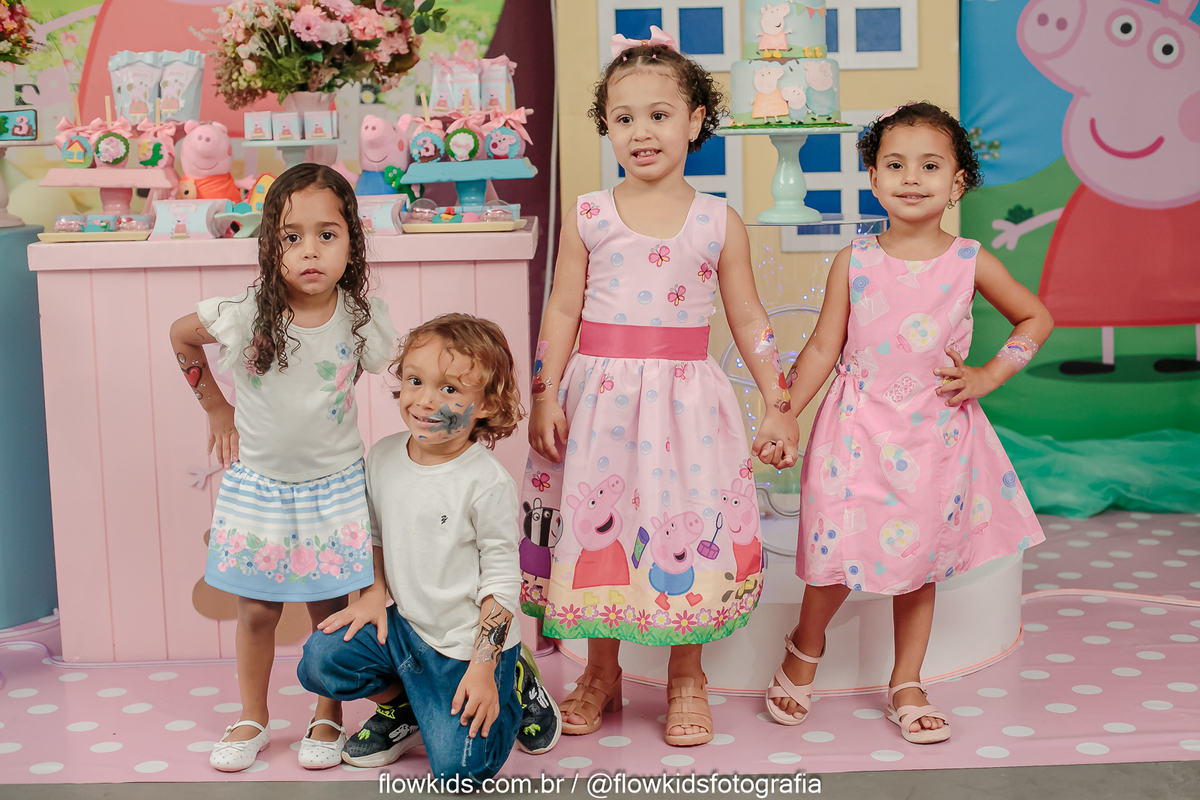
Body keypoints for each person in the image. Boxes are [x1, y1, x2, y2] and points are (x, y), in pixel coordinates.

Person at [519, 26, 798, 747]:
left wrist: (778, 402)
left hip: (686, 409)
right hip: (601, 402)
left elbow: (748, 318)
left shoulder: (717, 220)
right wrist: (545, 391)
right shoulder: (589, 215)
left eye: (659, 114)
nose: (641, 131)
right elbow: (562, 308)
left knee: (687, 525)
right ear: (606, 128)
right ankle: (600, 671)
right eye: (624, 118)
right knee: (600, 529)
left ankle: (686, 675)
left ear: (695, 121)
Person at [760, 102, 1053, 744]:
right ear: (873, 177)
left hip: (931, 436)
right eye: (895, 165)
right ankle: (805, 647)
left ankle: (907, 680)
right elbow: (821, 348)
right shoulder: (855, 259)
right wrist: (783, 414)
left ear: (957, 183)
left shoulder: (969, 260)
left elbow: (1036, 318)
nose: (912, 177)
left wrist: (987, 376)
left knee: (917, 562)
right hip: (853, 432)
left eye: (930, 166)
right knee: (833, 552)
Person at [169, 163, 398, 770]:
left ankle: (328, 713)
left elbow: (403, 373)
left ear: (352, 242)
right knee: (256, 610)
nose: (310, 251)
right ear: (270, 245)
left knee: (330, 609)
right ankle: (253, 715)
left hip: (334, 485)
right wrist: (216, 408)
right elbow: (180, 336)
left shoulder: (361, 318)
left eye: (328, 234)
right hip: (260, 485)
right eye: (292, 237)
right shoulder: (245, 313)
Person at [297, 314, 561, 778]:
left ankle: (515, 681)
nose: (424, 400)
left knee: (461, 772)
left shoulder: (486, 483)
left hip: (469, 647)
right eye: (415, 381)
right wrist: (373, 594)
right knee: (320, 661)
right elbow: (374, 535)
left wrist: (484, 668)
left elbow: (501, 582)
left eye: (450, 389)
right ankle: (403, 708)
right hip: (406, 632)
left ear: (486, 403)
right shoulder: (382, 457)